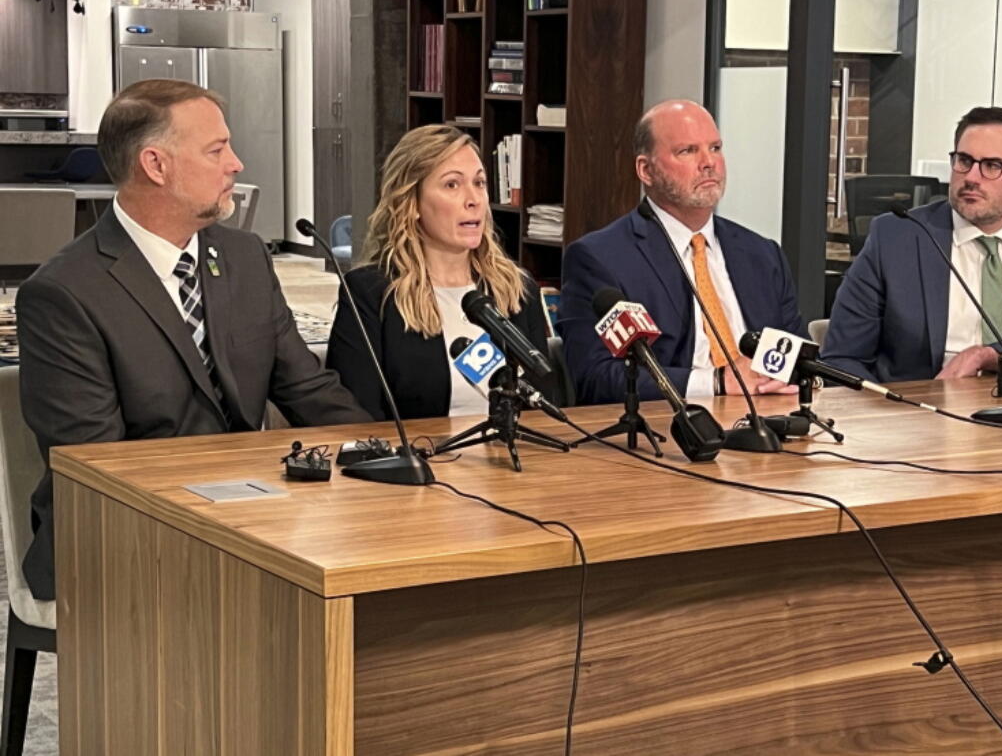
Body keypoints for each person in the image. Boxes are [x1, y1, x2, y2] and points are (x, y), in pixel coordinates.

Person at [16, 78, 370, 600]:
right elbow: (100, 467)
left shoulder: (246, 257)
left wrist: (379, 453)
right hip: (122, 537)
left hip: (254, 513)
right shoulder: (62, 294)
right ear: (156, 165)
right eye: (217, 149)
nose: (236, 164)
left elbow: (308, 389)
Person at [821, 105, 1002, 383]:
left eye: (992, 166)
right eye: (964, 161)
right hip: (919, 415)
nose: (971, 177)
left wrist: (989, 356)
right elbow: (842, 357)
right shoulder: (897, 237)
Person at [558, 99, 807, 405]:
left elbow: (797, 355)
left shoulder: (763, 255)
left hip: (773, 419)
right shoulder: (600, 259)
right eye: (687, 151)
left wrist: (795, 377)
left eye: (715, 148)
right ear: (646, 170)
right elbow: (596, 377)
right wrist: (715, 381)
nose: (709, 162)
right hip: (672, 432)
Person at [327, 124, 553, 419]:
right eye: (452, 185)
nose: (473, 200)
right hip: (423, 460)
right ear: (413, 201)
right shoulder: (370, 294)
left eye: (480, 183)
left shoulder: (517, 289)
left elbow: (545, 406)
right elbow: (359, 417)